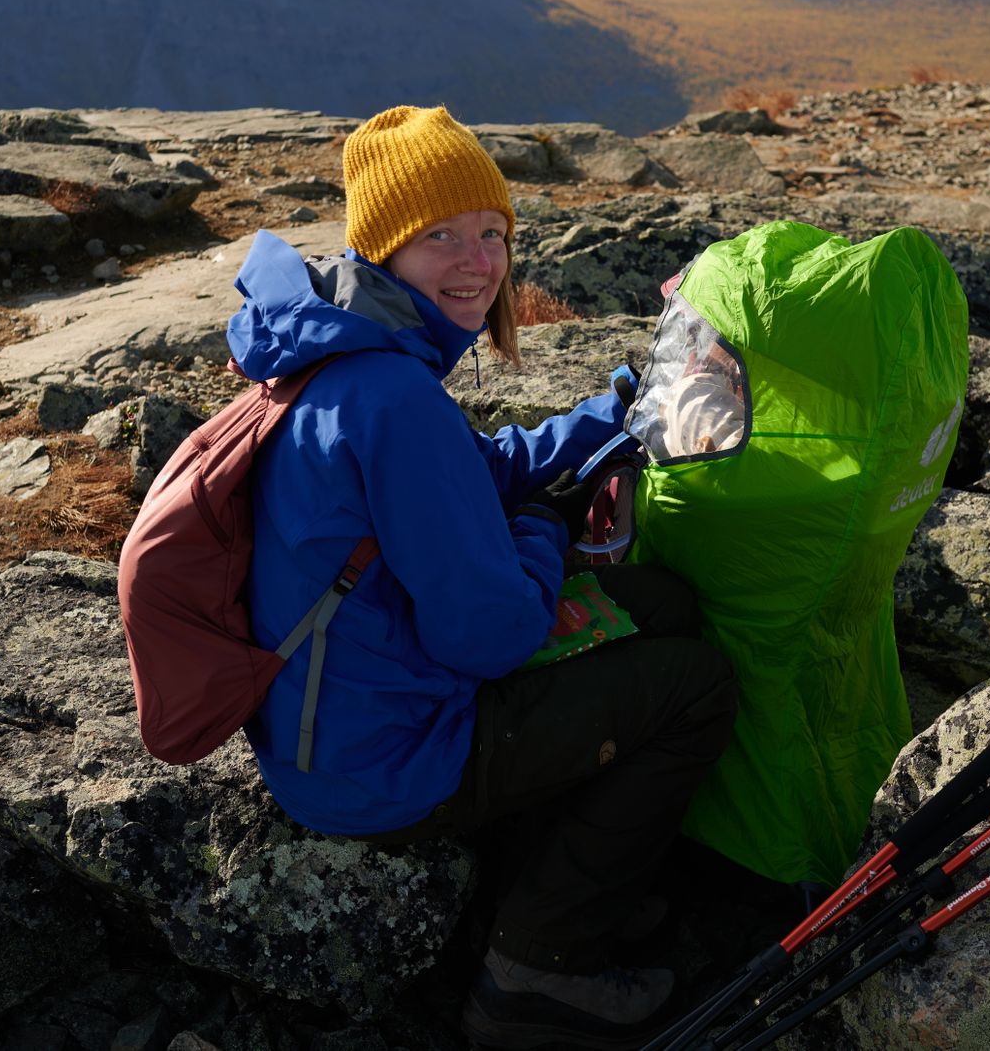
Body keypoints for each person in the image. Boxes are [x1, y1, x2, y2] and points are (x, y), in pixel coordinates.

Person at [226, 104, 739, 1049]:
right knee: (695, 688)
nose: (478, 262)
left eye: (493, 233)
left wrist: (615, 410)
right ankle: (537, 970)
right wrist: (545, 529)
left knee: (663, 606)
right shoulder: (389, 395)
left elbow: (472, 469)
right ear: (382, 248)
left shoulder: (343, 349)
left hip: (337, 711)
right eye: (441, 237)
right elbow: (494, 635)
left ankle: (581, 872)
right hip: (382, 762)